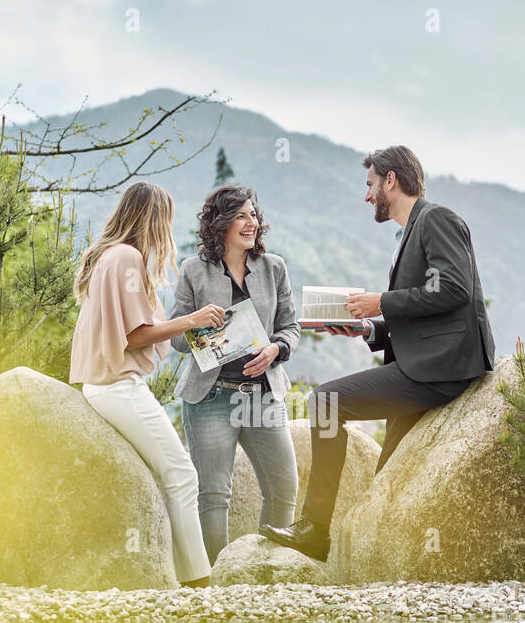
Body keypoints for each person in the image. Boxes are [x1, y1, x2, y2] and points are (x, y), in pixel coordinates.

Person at [260, 146, 495, 561]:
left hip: (443, 368)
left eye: (370, 184)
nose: (366, 195)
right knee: (387, 474)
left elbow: (455, 290)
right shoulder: (411, 230)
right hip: (427, 364)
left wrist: (380, 302)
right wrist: (367, 328)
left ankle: (314, 529)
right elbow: (425, 314)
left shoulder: (436, 219)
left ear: (391, 180)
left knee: (325, 401)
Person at [69, 181, 224, 587]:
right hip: (119, 387)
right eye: (165, 219)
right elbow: (135, 336)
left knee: (172, 475)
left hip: (104, 386)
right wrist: (192, 320)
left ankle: (185, 576)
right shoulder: (126, 258)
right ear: (154, 219)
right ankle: (198, 583)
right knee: (182, 475)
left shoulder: (108, 255)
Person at [171, 186, 301, 564]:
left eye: (253, 215)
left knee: (283, 488)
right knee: (214, 495)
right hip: (211, 395)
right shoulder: (193, 270)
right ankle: (219, 580)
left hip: (263, 395)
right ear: (221, 223)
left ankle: (268, 571)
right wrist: (196, 323)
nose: (251, 223)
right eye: (241, 216)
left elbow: (290, 328)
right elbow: (176, 339)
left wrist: (277, 349)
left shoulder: (274, 267)